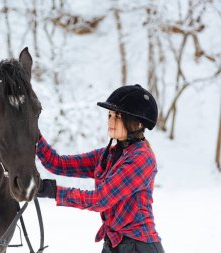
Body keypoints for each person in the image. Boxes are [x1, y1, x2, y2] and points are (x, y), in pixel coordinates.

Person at [36, 84, 164, 253]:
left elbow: (100, 199)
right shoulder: (107, 156)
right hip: (113, 244)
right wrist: (33, 136)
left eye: (118, 116)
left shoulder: (142, 158)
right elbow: (58, 164)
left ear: (136, 122)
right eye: (110, 115)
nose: (111, 120)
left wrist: (51, 190)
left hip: (139, 246)